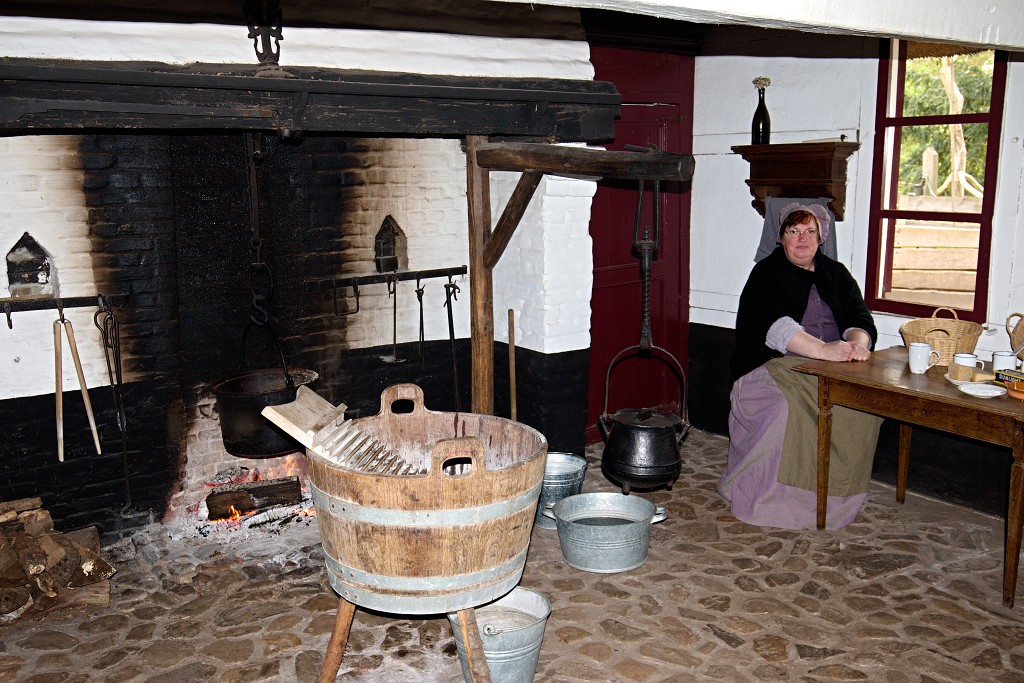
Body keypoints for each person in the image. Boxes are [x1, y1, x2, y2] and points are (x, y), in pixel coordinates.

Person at [718, 202, 882, 530]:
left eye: (810, 232)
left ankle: (834, 499)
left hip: (833, 365)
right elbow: (775, 327)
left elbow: (859, 318)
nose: (802, 239)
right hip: (772, 365)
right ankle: (769, 501)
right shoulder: (766, 273)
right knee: (782, 411)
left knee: (864, 407)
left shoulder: (836, 274)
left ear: (822, 239)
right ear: (781, 238)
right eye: (794, 231)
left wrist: (857, 346)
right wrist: (823, 350)